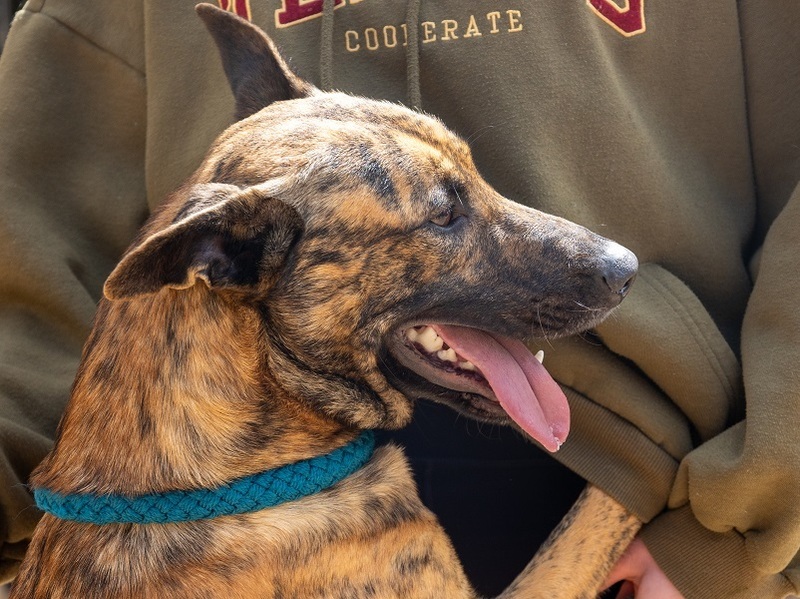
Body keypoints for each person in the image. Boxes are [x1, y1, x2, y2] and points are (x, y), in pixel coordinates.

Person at [1, 1, 798, 597]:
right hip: (197, 490)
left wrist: (745, 520)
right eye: (447, 214)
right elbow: (35, 223)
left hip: (672, 504)